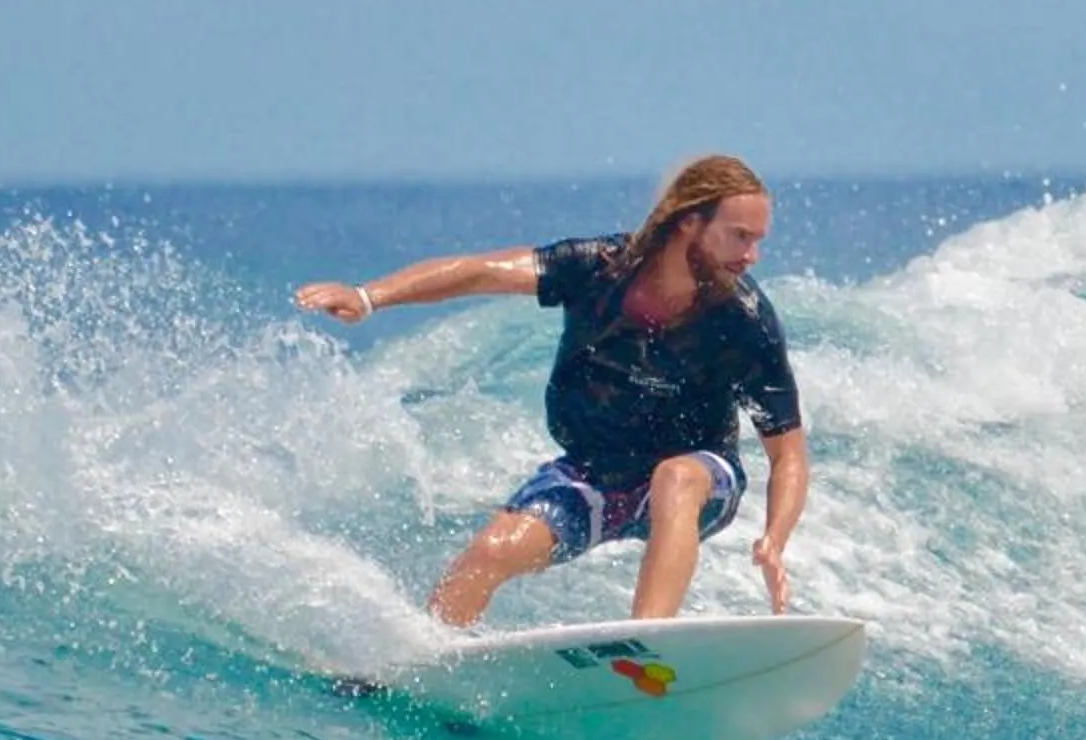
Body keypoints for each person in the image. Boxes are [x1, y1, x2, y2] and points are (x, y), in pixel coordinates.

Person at [294, 154, 809, 628]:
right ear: (689, 222)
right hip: (596, 472)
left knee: (674, 477)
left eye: (758, 239)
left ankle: (647, 642)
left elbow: (788, 456)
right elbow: (482, 272)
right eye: (740, 236)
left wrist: (774, 540)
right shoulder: (598, 267)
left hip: (700, 478)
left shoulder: (744, 321)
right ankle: (419, 667)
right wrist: (368, 297)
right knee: (492, 552)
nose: (752, 255)